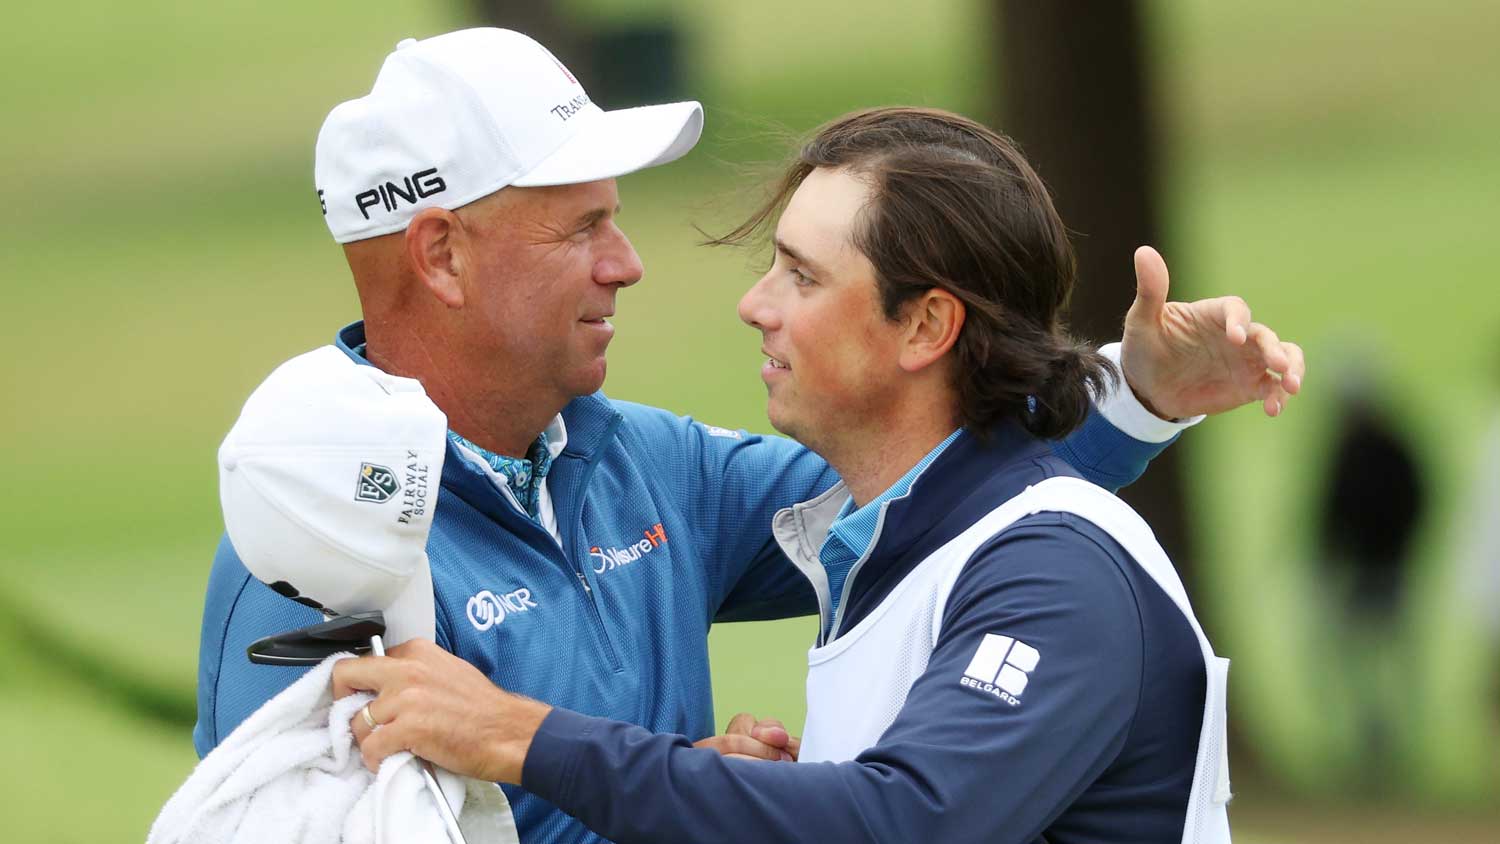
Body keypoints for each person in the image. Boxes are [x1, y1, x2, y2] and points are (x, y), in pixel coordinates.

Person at [197, 29, 1302, 843]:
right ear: (442, 255)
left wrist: (1128, 393)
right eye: (583, 228)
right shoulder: (316, 539)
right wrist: (689, 800)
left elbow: (930, 475)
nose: (628, 264)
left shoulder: (646, 465)